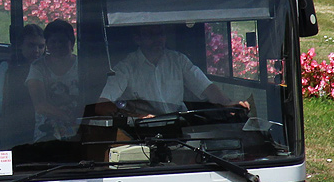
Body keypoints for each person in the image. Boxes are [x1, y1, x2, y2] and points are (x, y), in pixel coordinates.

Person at [96, 25, 250, 116]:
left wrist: (228, 104)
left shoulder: (178, 60)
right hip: (141, 134)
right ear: (137, 39)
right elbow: (102, 105)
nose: (158, 39)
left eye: (160, 33)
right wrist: (137, 117)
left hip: (178, 130)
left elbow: (206, 87)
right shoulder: (126, 67)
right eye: (151, 34)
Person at [26, 19, 81, 141]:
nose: (57, 45)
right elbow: (40, 105)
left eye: (62, 41)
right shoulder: (37, 67)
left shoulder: (83, 65)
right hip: (46, 135)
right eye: (53, 41)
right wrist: (65, 116)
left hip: (80, 133)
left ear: (72, 43)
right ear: (47, 44)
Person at [0, 24, 44, 142]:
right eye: (31, 45)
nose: (36, 51)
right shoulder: (7, 68)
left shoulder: (47, 68)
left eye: (41, 46)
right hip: (15, 126)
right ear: (20, 46)